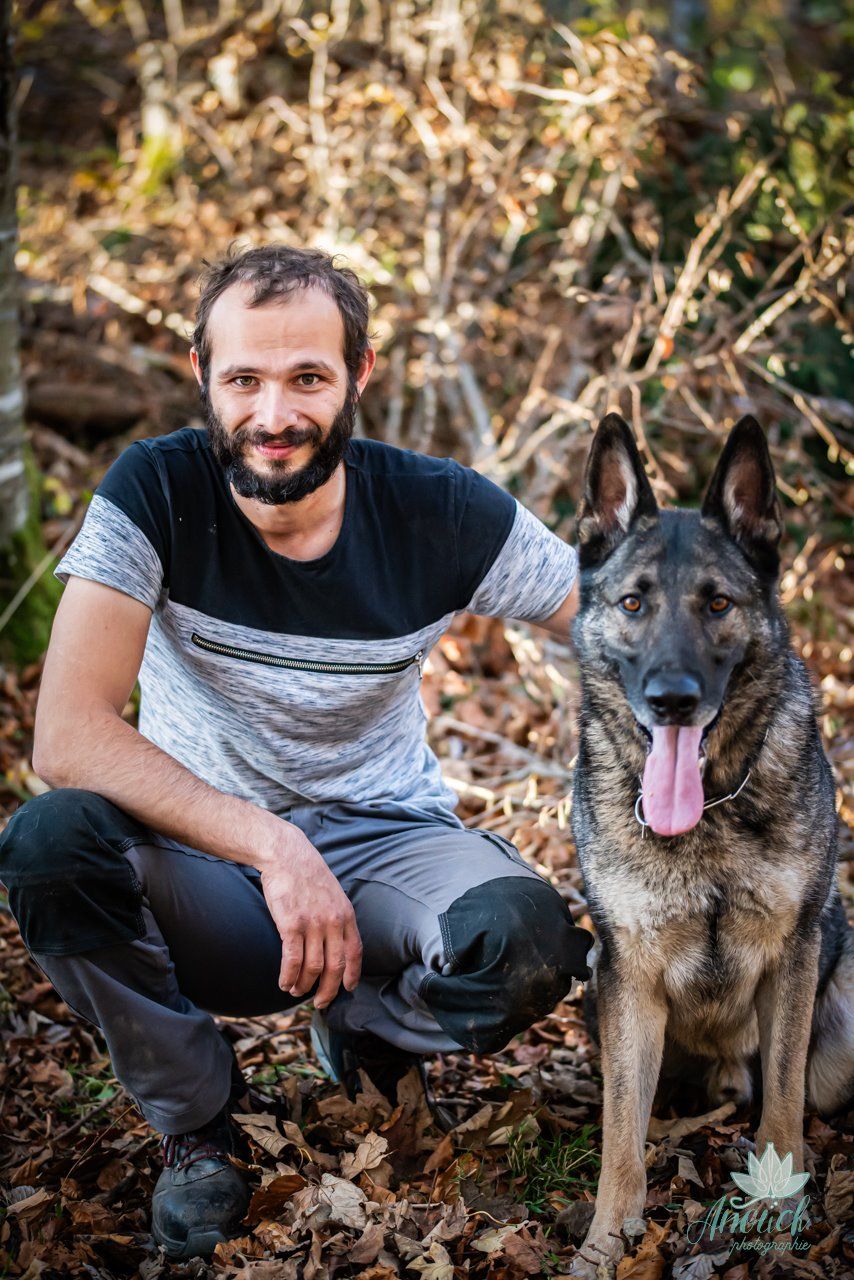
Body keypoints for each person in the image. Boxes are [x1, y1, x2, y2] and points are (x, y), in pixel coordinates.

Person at [0, 245, 592, 1261]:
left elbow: (616, 619)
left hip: (387, 849)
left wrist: (719, 707)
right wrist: (273, 846)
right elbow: (67, 733)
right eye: (244, 379)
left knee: (525, 943)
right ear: (202, 373)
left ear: (360, 374)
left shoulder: (437, 510)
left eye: (307, 377)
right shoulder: (156, 490)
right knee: (49, 843)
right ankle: (199, 1127)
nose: (273, 414)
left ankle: (368, 1026)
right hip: (206, 873)